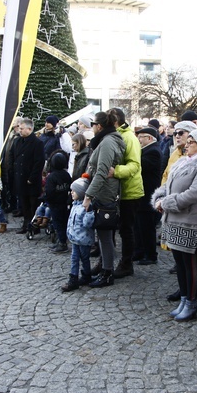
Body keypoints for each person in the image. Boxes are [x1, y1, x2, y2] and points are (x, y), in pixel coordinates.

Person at [153, 128, 197, 322]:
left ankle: (191, 302)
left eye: (191, 142)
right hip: (174, 219)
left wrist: (166, 203)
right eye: (187, 142)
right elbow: (169, 185)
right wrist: (159, 197)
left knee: (190, 264)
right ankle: (183, 298)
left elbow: (194, 193)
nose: (187, 145)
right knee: (180, 263)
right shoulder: (182, 162)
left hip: (192, 222)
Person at [82, 111, 126, 287]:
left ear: (98, 126)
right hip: (102, 191)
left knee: (105, 236)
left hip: (105, 193)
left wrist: (88, 195)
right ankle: (104, 270)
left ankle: (107, 273)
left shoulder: (108, 142)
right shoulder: (106, 140)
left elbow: (102, 171)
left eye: (92, 124)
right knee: (102, 235)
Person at [109, 108, 144, 279]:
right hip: (116, 191)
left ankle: (126, 263)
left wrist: (114, 171)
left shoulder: (129, 137)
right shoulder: (115, 135)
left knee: (126, 229)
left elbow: (134, 165)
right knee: (114, 228)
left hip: (129, 191)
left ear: (115, 122)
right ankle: (109, 261)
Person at [61, 178, 95, 292]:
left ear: (80, 193)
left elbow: (87, 223)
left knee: (85, 258)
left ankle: (86, 275)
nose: (71, 193)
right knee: (74, 258)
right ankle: (74, 278)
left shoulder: (85, 207)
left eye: (74, 191)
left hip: (84, 239)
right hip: (75, 238)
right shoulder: (74, 205)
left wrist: (89, 211)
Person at [134, 126, 162, 265]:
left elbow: (140, 166)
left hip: (148, 194)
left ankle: (150, 254)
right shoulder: (147, 150)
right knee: (140, 225)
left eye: (141, 137)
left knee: (147, 226)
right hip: (143, 193)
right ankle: (140, 250)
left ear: (149, 138)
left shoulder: (153, 151)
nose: (138, 140)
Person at [12, 118, 45, 234]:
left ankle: (34, 225)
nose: (19, 131)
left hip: (31, 180)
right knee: (24, 203)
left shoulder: (37, 143)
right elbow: (14, 159)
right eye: (19, 128)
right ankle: (26, 224)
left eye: (21, 128)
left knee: (33, 204)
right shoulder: (18, 141)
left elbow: (39, 162)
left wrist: (32, 178)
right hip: (20, 178)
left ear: (29, 129)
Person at [43, 151, 72, 253]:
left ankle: (62, 243)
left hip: (55, 204)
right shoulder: (66, 175)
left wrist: (46, 199)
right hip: (64, 202)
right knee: (63, 222)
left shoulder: (52, 176)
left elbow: (49, 191)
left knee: (58, 224)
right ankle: (61, 240)